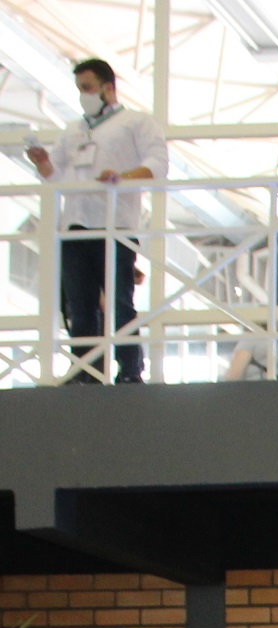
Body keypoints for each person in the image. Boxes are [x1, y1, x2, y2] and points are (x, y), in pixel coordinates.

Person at [24, 58, 167, 385]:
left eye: (87, 88)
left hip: (115, 223)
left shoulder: (136, 122)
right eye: (79, 89)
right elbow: (55, 177)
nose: (82, 95)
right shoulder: (74, 129)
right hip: (75, 224)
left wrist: (123, 176)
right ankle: (86, 369)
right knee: (80, 303)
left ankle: (130, 370)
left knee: (119, 301)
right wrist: (43, 161)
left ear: (108, 87)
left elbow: (158, 164)